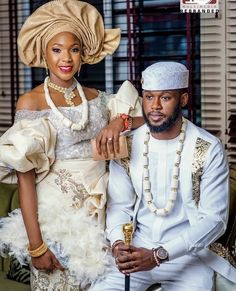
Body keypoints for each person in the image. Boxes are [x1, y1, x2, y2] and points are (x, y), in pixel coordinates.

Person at [0, 0, 143, 290]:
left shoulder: (99, 99)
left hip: (103, 213)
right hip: (55, 219)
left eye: (74, 49)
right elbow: (25, 181)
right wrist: (36, 246)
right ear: (44, 53)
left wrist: (119, 123)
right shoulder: (31, 102)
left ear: (84, 54)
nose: (66, 58)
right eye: (57, 49)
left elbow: (145, 122)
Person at [89, 61, 236, 291]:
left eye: (165, 98)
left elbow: (214, 221)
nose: (154, 106)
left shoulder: (207, 147)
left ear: (184, 100)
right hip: (137, 251)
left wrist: (158, 256)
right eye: (148, 97)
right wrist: (119, 243)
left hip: (189, 256)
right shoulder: (127, 144)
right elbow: (119, 207)